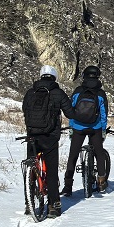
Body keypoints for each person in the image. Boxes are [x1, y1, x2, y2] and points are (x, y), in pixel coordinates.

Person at [21, 65, 73, 217]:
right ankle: (53, 205)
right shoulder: (58, 93)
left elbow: (25, 110)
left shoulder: (30, 92)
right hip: (50, 137)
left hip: (32, 136)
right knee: (51, 171)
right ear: (54, 77)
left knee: (30, 167)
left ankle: (28, 203)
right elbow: (70, 113)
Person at [63, 65, 111, 195]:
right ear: (97, 76)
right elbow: (103, 114)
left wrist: (72, 126)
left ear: (84, 76)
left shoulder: (78, 91)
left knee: (73, 155)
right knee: (99, 153)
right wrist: (103, 130)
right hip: (95, 128)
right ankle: (101, 182)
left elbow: (71, 109)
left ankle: (68, 186)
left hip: (78, 127)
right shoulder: (100, 94)